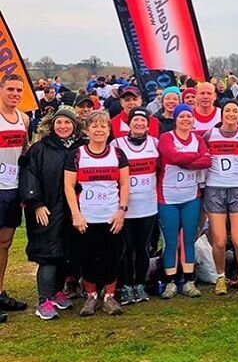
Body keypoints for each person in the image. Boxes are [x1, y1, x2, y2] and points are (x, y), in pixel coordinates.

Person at [63, 110, 130, 316]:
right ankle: (91, 296)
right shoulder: (77, 155)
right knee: (87, 257)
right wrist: (76, 213)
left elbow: (125, 182)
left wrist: (121, 211)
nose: (99, 130)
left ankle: (109, 297)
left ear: (109, 130)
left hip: (111, 216)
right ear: (87, 130)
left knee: (111, 257)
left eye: (103, 126)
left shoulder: (117, 154)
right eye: (95, 126)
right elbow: (68, 185)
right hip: (86, 217)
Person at [20, 106, 84, 320]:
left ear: (74, 125)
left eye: (67, 122)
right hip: (47, 209)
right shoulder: (39, 149)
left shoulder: (80, 147)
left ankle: (57, 292)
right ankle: (44, 301)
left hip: (71, 210)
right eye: (59, 122)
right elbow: (30, 175)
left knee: (65, 254)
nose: (63, 126)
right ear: (52, 124)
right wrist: (36, 203)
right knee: (48, 254)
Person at [157, 104, 212, 299]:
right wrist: (194, 157)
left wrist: (184, 161)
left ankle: (189, 281)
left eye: (189, 116)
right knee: (171, 241)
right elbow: (172, 156)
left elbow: (207, 161)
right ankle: (170, 282)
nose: (186, 120)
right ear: (176, 119)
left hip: (191, 197)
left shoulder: (197, 139)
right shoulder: (166, 138)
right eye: (182, 116)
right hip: (168, 198)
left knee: (189, 239)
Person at [203, 100, 238, 295]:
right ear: (221, 114)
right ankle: (221, 277)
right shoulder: (210, 134)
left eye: (235, 111)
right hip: (215, 189)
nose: (231, 114)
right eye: (227, 111)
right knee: (219, 240)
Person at [111, 107, 159, 305]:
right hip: (125, 206)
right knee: (126, 247)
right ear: (129, 124)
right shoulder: (117, 144)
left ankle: (140, 283)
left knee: (142, 247)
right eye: (135, 121)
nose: (139, 124)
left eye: (143, 121)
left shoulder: (155, 143)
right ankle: (126, 285)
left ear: (148, 124)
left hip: (148, 205)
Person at [0, 75, 30, 323]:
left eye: (18, 90)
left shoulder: (24, 119)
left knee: (5, 243)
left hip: (12, 188)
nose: (15, 93)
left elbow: (24, 154)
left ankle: (0, 291)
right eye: (10, 89)